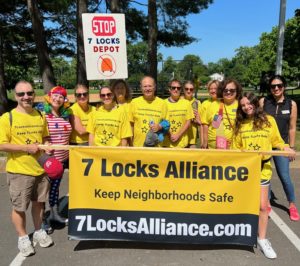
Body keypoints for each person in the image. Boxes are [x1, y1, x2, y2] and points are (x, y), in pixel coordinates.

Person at [233, 92, 295, 259]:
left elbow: (277, 141)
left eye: (249, 103)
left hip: (262, 170)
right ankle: (239, 233)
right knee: (244, 205)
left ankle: (262, 239)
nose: (246, 107)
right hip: (245, 172)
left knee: (262, 206)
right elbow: (235, 148)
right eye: (243, 105)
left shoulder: (269, 121)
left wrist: (286, 148)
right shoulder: (240, 125)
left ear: (255, 103)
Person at [0, 81, 53, 256]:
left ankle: (38, 231)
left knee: (39, 204)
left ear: (34, 94)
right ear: (15, 96)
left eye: (29, 93)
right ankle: (22, 238)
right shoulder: (8, 118)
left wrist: (48, 145)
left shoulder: (40, 115)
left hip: (40, 169)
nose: (26, 97)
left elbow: (45, 137)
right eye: (21, 94)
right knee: (19, 207)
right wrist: (25, 148)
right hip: (19, 171)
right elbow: (1, 144)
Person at [259, 74, 299, 221]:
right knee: (265, 175)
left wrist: (291, 147)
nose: (276, 88)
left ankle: (292, 204)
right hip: (265, 145)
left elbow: (292, 128)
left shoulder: (291, 104)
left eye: (279, 86)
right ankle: (267, 202)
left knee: (285, 176)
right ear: (270, 88)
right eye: (273, 86)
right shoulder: (264, 101)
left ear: (284, 87)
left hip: (281, 146)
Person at [43, 86, 71, 227]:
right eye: (55, 95)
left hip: (62, 159)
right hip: (49, 160)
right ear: (49, 97)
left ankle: (55, 214)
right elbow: (40, 135)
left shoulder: (65, 116)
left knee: (55, 189)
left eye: (61, 96)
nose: (57, 99)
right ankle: (43, 222)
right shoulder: (43, 115)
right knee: (43, 191)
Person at [202, 78, 242, 149]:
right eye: (225, 90)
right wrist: (205, 142)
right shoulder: (213, 105)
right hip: (213, 148)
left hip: (232, 147)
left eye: (232, 90)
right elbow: (205, 124)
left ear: (237, 91)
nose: (228, 92)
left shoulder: (241, 106)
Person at [129, 76, 168, 147]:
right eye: (145, 86)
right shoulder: (134, 102)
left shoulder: (162, 103)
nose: (147, 89)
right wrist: (130, 144)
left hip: (156, 147)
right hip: (138, 147)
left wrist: (159, 126)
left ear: (155, 87)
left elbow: (167, 124)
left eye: (150, 86)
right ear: (141, 88)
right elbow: (131, 125)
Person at [162, 79, 194, 148]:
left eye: (178, 88)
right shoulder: (163, 103)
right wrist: (170, 135)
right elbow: (162, 121)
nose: (176, 90)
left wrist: (178, 135)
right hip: (167, 143)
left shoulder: (187, 103)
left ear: (181, 90)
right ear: (169, 89)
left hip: (182, 144)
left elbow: (188, 122)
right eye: (173, 88)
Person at [199, 80, 220, 148]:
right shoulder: (205, 104)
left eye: (215, 88)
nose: (213, 91)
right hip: (211, 140)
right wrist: (203, 142)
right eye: (211, 89)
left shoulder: (225, 101)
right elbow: (203, 125)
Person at [182, 80, 201, 148]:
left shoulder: (197, 103)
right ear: (183, 89)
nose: (189, 91)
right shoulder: (179, 101)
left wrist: (194, 119)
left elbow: (200, 122)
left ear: (193, 90)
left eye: (191, 89)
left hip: (192, 140)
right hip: (180, 138)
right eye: (186, 89)